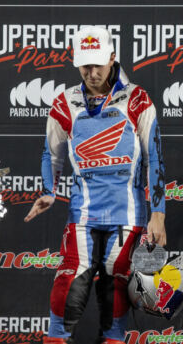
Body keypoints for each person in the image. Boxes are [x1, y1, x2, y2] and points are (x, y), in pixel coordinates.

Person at [24, 26, 167, 344]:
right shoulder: (65, 102)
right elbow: (51, 154)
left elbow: (155, 159)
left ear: (112, 58)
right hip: (83, 214)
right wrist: (48, 191)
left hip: (127, 216)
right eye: (84, 66)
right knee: (69, 283)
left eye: (98, 65)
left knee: (116, 285)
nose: (91, 73)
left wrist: (158, 214)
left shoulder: (138, 100)